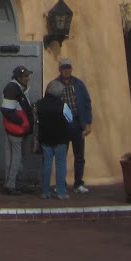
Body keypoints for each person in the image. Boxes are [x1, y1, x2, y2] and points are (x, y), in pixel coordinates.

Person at [46, 56, 93, 194]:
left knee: (79, 155)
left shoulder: (78, 84)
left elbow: (86, 103)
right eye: (64, 68)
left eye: (68, 67)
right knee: (61, 154)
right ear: (60, 69)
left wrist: (88, 123)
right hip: (62, 124)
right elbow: (48, 103)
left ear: (71, 69)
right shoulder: (54, 84)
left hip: (77, 123)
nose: (66, 70)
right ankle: (61, 183)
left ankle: (78, 183)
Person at [0, 64, 37, 194]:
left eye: (28, 75)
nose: (28, 78)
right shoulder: (12, 88)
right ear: (19, 77)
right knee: (16, 158)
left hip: (17, 130)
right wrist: (21, 121)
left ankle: (13, 183)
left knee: (13, 158)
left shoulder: (19, 88)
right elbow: (7, 110)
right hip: (16, 130)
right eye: (26, 76)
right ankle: (11, 185)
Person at [34, 77, 70, 198]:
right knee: (60, 165)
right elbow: (70, 119)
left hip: (45, 138)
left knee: (47, 165)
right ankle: (60, 192)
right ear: (59, 92)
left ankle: (45, 191)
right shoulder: (63, 105)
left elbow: (35, 120)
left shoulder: (39, 104)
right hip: (60, 139)